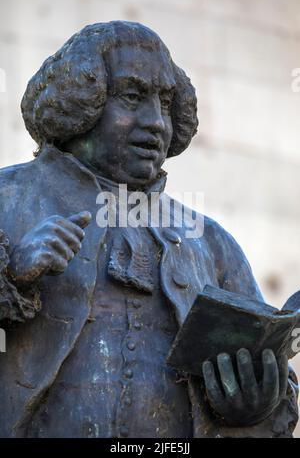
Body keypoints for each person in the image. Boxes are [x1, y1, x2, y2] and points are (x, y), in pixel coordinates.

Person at [0, 21, 297, 438]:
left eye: (165, 102)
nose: (156, 122)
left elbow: (277, 396)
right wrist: (10, 279)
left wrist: (256, 402)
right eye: (134, 97)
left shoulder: (211, 242)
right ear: (79, 100)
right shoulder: (6, 200)